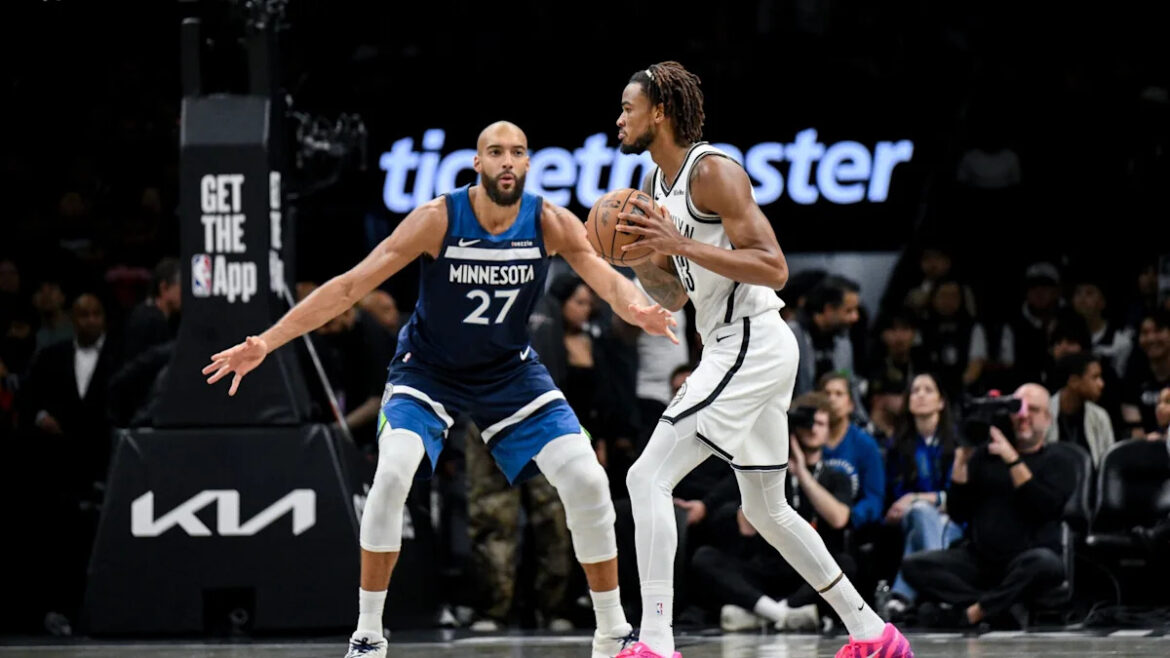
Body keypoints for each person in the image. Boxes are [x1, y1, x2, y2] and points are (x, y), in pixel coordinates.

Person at [203, 121, 679, 658]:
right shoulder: (438, 218)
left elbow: (604, 277)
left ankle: (612, 632)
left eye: (517, 152)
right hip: (428, 370)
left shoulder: (549, 221)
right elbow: (351, 286)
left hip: (509, 372)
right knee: (391, 475)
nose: (506, 161)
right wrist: (267, 342)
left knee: (588, 480)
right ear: (477, 164)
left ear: (528, 164)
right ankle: (368, 635)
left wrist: (636, 307)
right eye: (495, 152)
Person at [611, 61, 911, 658]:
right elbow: (677, 293)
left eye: (627, 108)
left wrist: (678, 242)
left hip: (752, 338)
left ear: (660, 113)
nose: (619, 119)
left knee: (646, 476)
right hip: (736, 343)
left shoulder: (713, 171)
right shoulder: (654, 184)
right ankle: (873, 633)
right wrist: (642, 259)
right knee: (768, 509)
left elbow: (775, 268)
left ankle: (656, 643)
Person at [901, 384, 1077, 629]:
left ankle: (975, 612)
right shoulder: (986, 457)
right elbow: (958, 512)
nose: (1024, 416)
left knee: (1046, 563)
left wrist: (1012, 458)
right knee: (914, 565)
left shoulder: (1060, 459)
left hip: (1026, 558)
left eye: (1033, 410)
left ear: (1048, 419)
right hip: (980, 560)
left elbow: (1043, 506)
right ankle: (996, 610)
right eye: (1017, 410)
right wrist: (961, 461)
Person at [694, 392, 854, 633]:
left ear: (829, 432)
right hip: (764, 567)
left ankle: (762, 615)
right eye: (807, 422)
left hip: (807, 573)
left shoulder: (836, 476)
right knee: (704, 558)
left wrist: (803, 474)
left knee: (846, 563)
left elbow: (839, 518)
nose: (812, 429)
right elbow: (746, 526)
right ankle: (782, 615)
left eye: (820, 423)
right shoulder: (768, 472)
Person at [880, 373, 963, 618]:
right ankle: (943, 590)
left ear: (941, 402)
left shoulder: (957, 441)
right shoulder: (898, 445)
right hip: (911, 516)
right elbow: (897, 495)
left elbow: (959, 494)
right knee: (920, 513)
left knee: (920, 527)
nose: (921, 395)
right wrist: (919, 502)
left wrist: (917, 498)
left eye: (928, 390)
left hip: (953, 518)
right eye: (915, 391)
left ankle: (902, 596)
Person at [1046, 352, 1114, 466]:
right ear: (1074, 381)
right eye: (1095, 377)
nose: (1101, 384)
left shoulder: (1099, 416)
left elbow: (1109, 463)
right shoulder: (1044, 412)